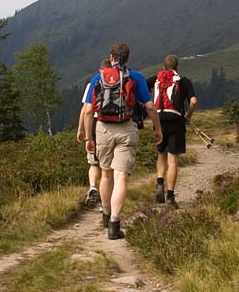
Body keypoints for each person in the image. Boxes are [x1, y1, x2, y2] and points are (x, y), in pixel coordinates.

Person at [84, 43, 163, 239]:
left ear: (111, 57)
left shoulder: (98, 77)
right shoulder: (135, 77)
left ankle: (105, 212)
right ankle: (114, 224)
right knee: (121, 178)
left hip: (103, 129)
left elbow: (87, 110)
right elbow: (150, 106)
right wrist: (157, 128)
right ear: (127, 58)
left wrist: (88, 137)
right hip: (127, 128)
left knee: (106, 174)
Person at [146, 54, 197, 209]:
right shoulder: (184, 81)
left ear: (163, 66)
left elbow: (140, 88)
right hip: (176, 121)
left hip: (159, 120)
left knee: (161, 154)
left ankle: (159, 184)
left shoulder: (155, 79)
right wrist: (188, 116)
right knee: (173, 159)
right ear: (177, 67)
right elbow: (193, 101)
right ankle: (170, 196)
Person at [76, 58, 111, 208]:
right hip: (111, 124)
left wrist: (81, 130)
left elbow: (86, 110)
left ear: (99, 70)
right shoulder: (119, 81)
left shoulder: (93, 83)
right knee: (107, 166)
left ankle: (92, 186)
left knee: (93, 162)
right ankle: (106, 200)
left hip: (94, 123)